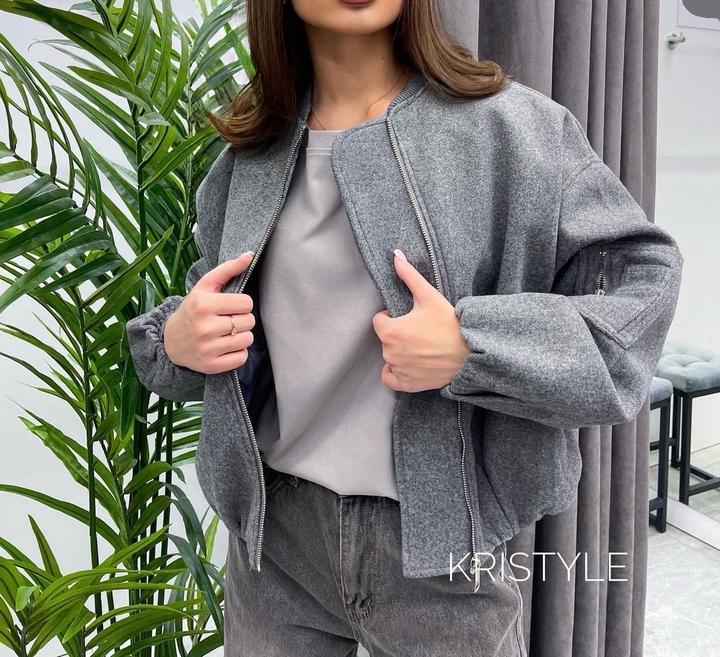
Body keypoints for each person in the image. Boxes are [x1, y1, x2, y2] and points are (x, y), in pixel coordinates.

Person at [125, 1, 683, 655]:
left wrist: (474, 346)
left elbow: (641, 287)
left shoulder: (512, 129)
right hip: (275, 544)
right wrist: (178, 341)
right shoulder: (247, 157)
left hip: (440, 555)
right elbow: (214, 302)